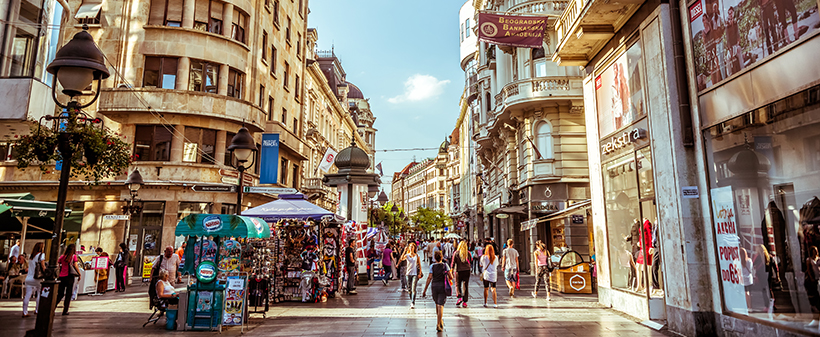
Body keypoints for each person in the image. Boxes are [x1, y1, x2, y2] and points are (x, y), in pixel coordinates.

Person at [422, 251, 453, 332]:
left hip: (434, 287)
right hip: (443, 286)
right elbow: (451, 276)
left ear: (435, 258)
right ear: (441, 257)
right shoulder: (445, 265)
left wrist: (425, 289)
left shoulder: (432, 266)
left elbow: (429, 278)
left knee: (437, 304)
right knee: (441, 305)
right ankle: (439, 323)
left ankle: (439, 321)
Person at [55, 244, 81, 315]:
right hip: (69, 276)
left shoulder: (62, 257)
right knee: (68, 294)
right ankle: (65, 310)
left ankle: (54, 307)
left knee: (60, 293)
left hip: (61, 276)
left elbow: (58, 263)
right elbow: (75, 265)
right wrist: (79, 274)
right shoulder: (73, 256)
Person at [23, 242, 45, 317]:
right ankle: (37, 310)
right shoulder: (41, 255)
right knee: (39, 293)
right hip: (37, 278)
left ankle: (24, 312)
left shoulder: (31, 256)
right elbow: (43, 266)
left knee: (27, 295)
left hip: (28, 278)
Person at [399, 243, 423, 308]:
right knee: (409, 289)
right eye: (410, 247)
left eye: (412, 247)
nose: (411, 248)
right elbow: (401, 259)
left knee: (413, 289)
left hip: (415, 274)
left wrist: (420, 273)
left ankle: (413, 302)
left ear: (414, 248)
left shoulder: (417, 256)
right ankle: (411, 299)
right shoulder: (407, 255)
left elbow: (419, 265)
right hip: (408, 274)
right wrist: (404, 251)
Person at [452, 241, 471, 308]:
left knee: (457, 284)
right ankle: (465, 301)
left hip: (458, 271)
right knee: (465, 285)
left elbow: (453, 263)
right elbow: (471, 260)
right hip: (467, 270)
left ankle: (459, 297)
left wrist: (451, 270)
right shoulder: (468, 253)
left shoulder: (456, 253)